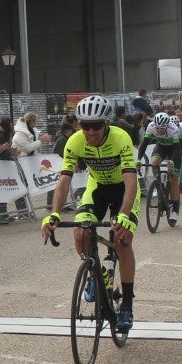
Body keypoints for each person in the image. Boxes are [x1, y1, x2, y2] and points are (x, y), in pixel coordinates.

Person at [40, 95, 140, 333]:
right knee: (80, 233)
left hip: (123, 190)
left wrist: (124, 215)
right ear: (79, 125)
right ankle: (95, 274)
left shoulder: (120, 138)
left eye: (96, 125)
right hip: (97, 189)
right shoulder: (74, 142)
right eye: (86, 125)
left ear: (106, 124)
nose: (91, 131)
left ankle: (126, 305)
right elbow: (64, 181)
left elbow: (130, 181)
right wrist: (53, 214)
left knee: (121, 241)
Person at [137, 112, 182, 225]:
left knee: (174, 178)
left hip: (173, 150)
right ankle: (159, 184)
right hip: (161, 147)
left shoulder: (173, 129)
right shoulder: (151, 126)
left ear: (167, 126)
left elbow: (177, 150)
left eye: (162, 128)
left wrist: (172, 161)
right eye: (158, 128)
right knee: (154, 162)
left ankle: (175, 210)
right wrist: (138, 160)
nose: (160, 130)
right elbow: (144, 144)